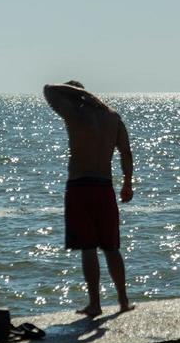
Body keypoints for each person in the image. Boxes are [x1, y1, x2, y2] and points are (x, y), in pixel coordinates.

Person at [43, 81, 134, 317]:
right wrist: (127, 183)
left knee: (88, 247)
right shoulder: (112, 116)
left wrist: (81, 93)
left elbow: (48, 88)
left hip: (80, 186)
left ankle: (95, 304)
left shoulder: (73, 112)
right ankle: (123, 302)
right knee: (111, 247)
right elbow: (125, 151)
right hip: (104, 187)